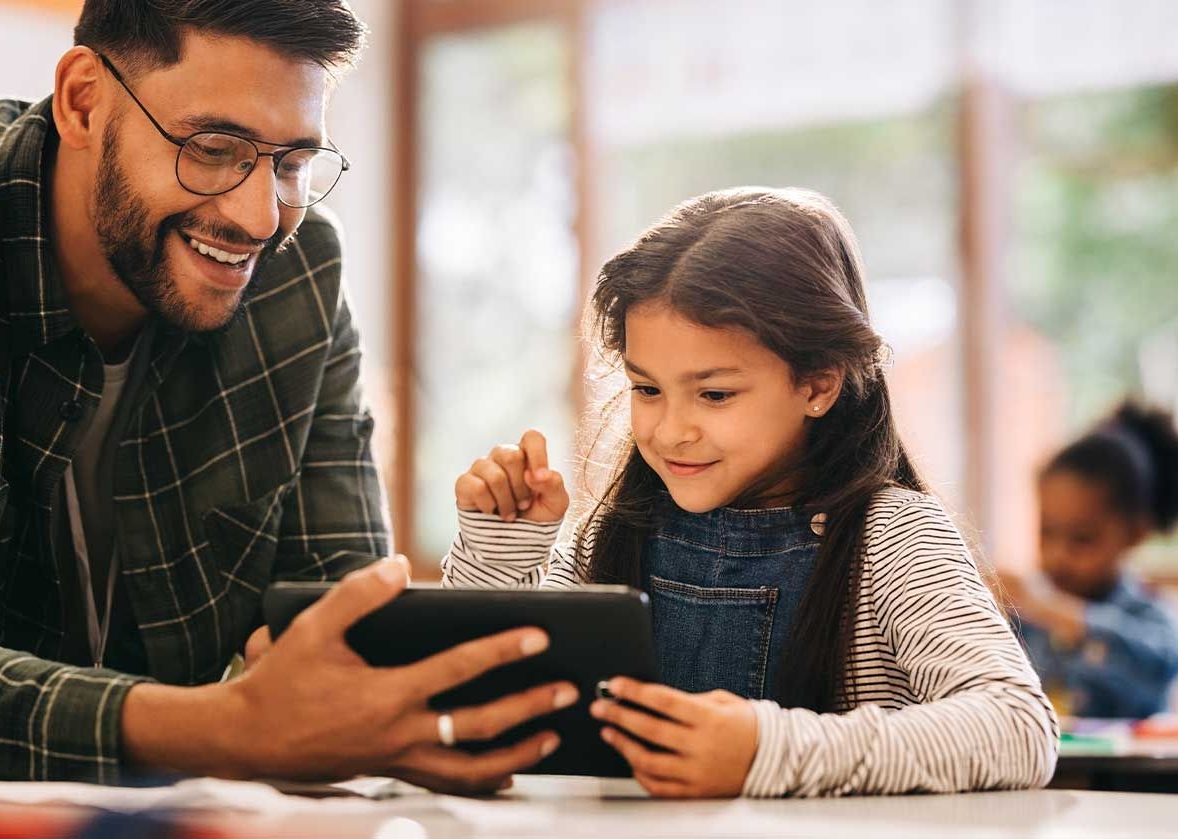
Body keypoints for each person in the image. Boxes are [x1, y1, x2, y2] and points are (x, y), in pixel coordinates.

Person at [0, 0, 571, 790]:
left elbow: (339, 629)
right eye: (216, 147)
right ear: (83, 99)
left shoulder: (297, 275)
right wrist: (227, 729)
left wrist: (385, 710)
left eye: (292, 163)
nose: (259, 216)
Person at [441, 187, 1059, 797]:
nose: (671, 431)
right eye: (647, 389)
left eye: (714, 394)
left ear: (818, 385)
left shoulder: (893, 539)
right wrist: (502, 553)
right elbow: (479, 716)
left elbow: (1019, 726)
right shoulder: (614, 534)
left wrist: (764, 752)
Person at [1004, 401, 1178, 719]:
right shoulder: (1025, 619)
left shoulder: (1153, 619)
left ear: (1135, 534)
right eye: (1047, 532)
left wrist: (1059, 613)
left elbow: (1157, 671)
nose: (1058, 555)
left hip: (1130, 769)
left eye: (1082, 539)